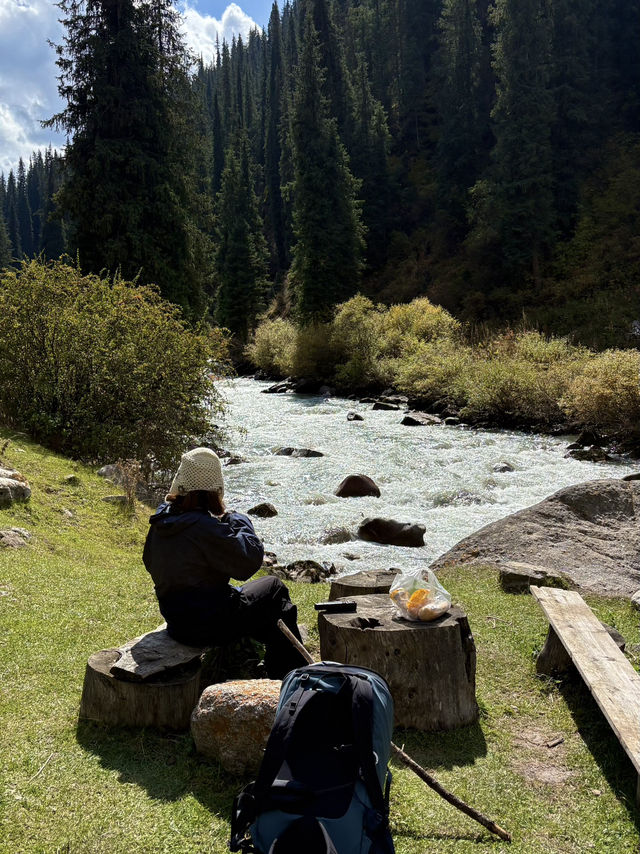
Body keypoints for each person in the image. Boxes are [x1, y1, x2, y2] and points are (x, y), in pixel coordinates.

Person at [143, 447, 307, 679]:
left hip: (176, 621)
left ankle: (274, 668)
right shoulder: (203, 527)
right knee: (274, 588)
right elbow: (247, 562)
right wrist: (238, 520)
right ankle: (291, 677)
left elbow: (149, 561)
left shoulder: (163, 520)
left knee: (268, 605)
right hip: (207, 625)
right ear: (213, 491)